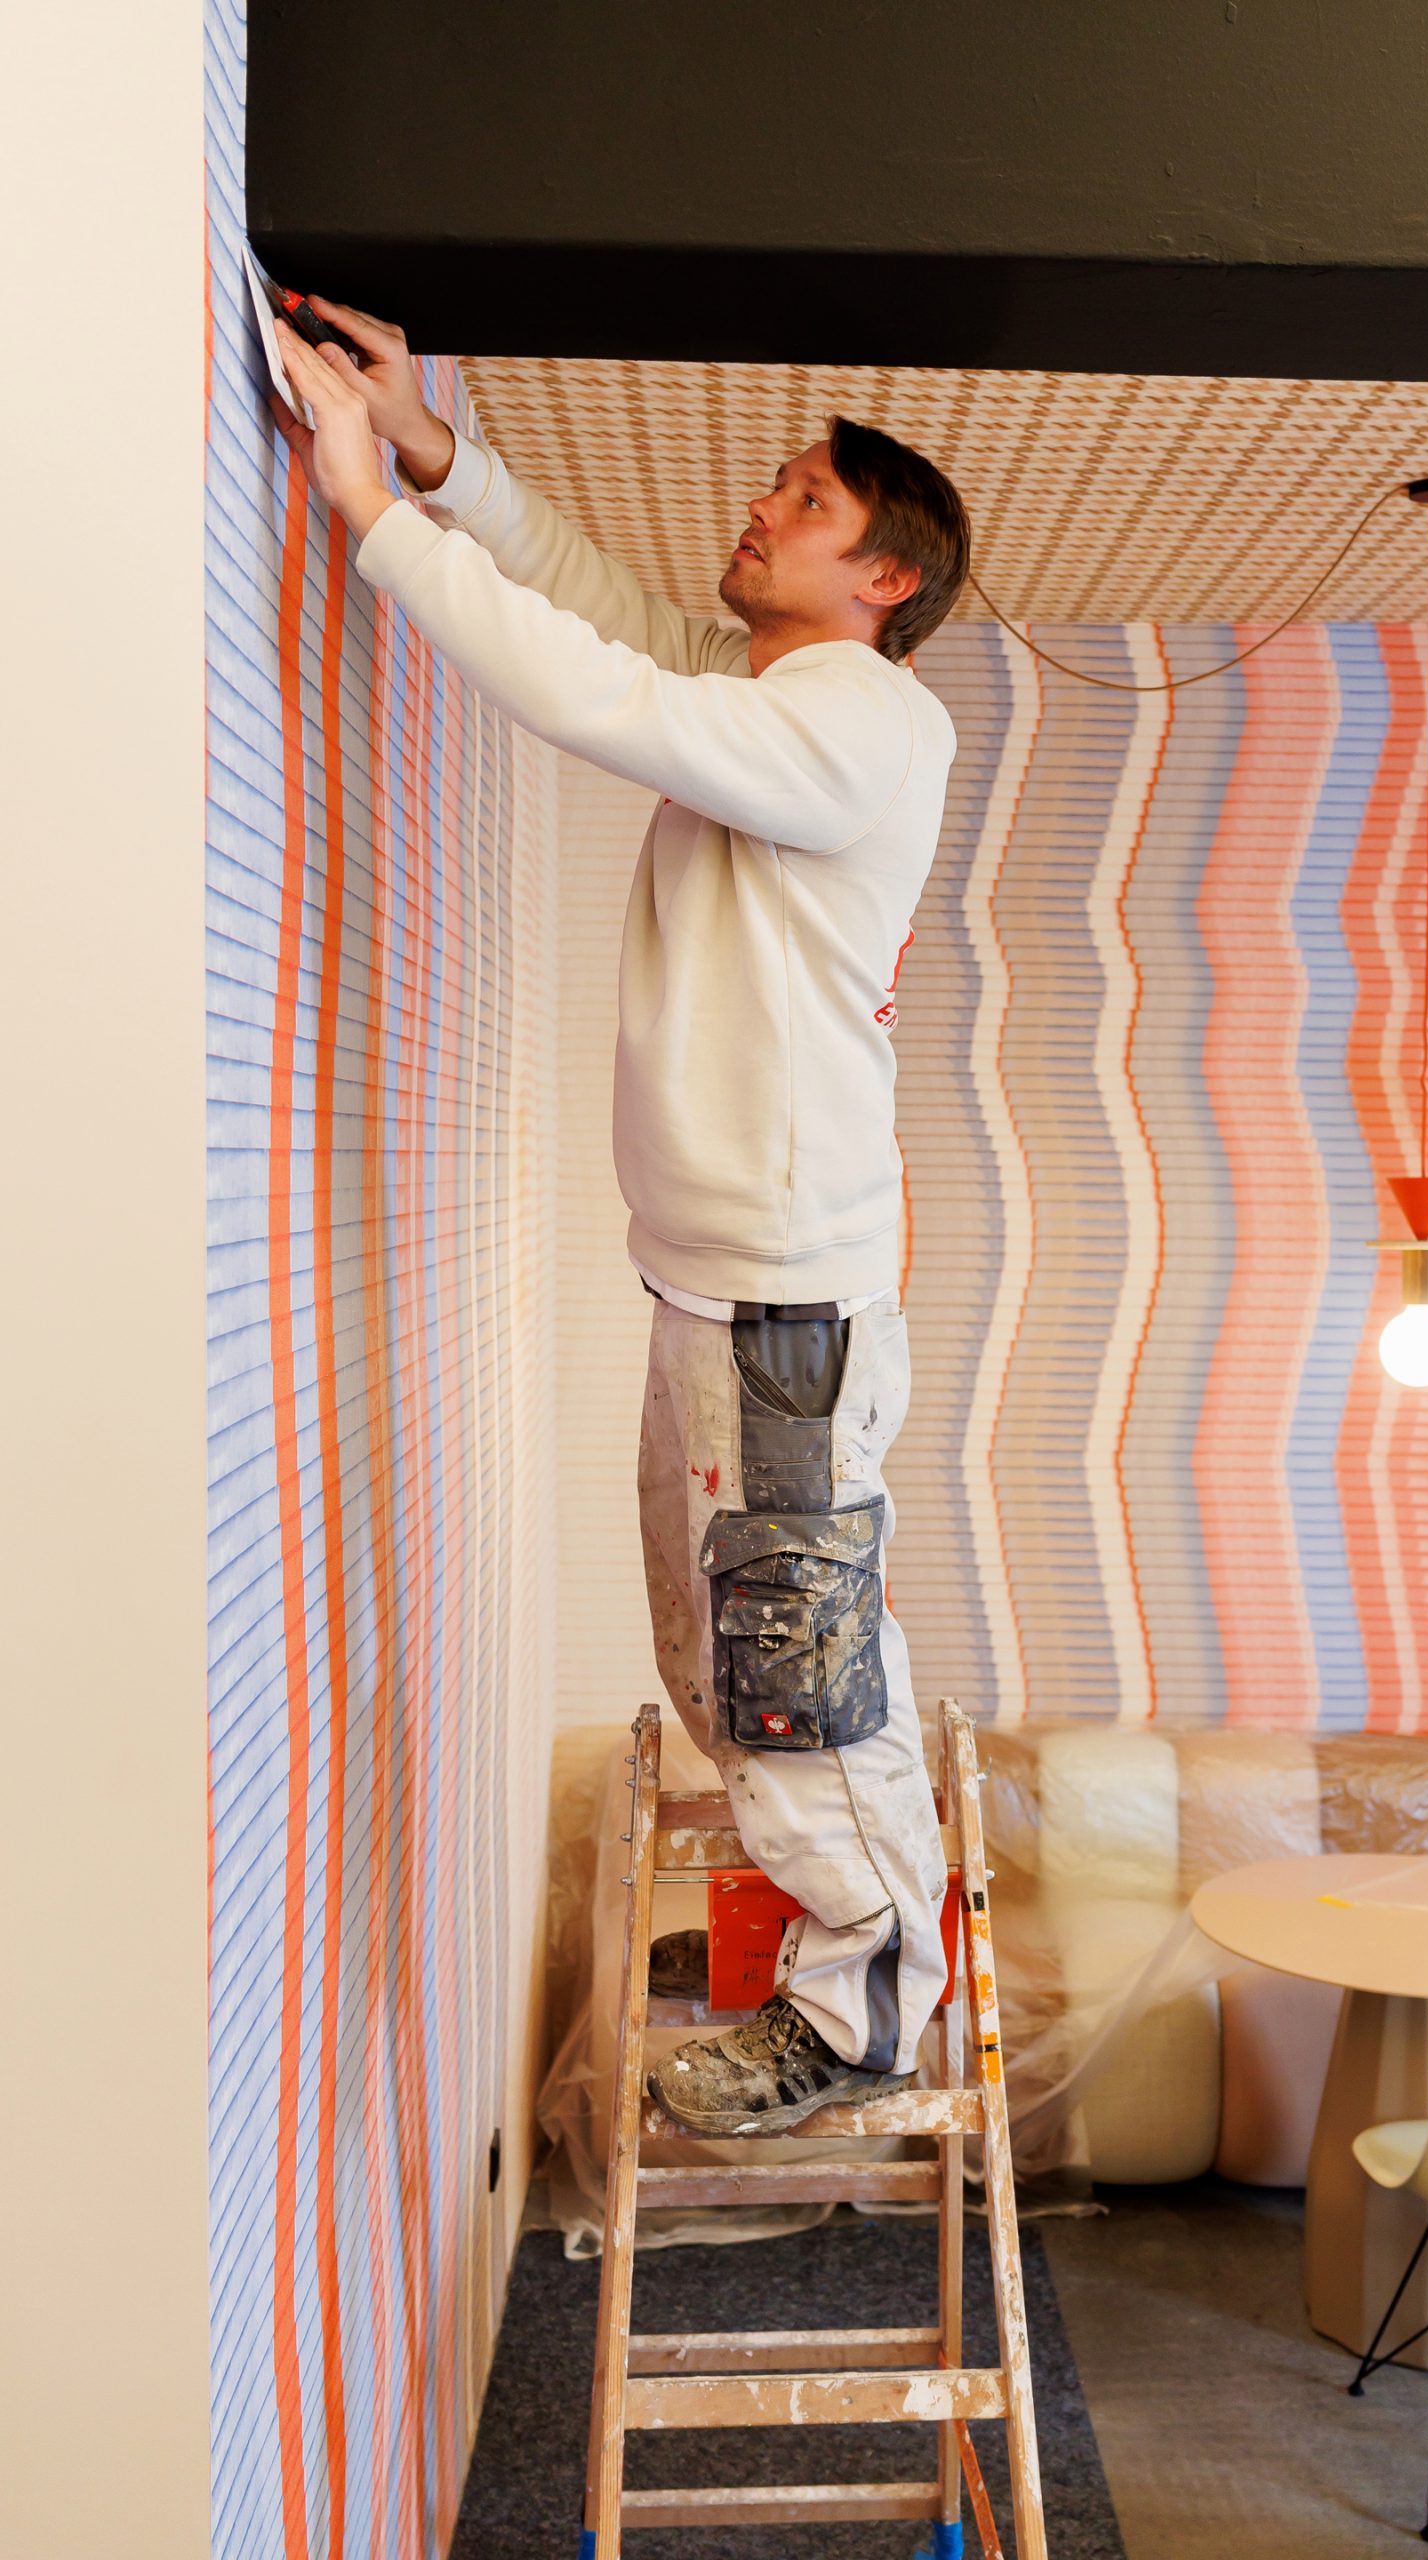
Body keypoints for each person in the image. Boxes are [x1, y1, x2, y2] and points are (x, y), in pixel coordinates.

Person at [271, 302, 969, 2137]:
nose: (761, 509)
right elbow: (603, 617)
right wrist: (439, 458)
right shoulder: (783, 695)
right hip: (731, 1290)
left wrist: (371, 514)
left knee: (789, 1665)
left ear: (884, 577)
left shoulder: (863, 719)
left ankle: (863, 2003)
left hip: (781, 1307)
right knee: (727, 1646)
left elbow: (598, 694)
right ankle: (849, 1935)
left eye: (805, 503)